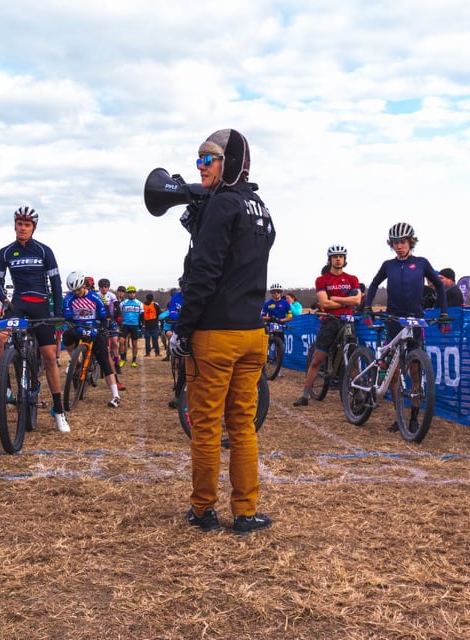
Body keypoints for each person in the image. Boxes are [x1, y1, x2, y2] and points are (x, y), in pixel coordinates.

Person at [171, 128, 275, 536]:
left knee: (207, 425)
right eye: (198, 159)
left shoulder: (222, 206)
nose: (199, 167)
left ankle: (203, 509)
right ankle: (246, 513)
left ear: (228, 163)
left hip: (215, 334)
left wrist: (184, 327)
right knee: (243, 426)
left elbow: (204, 273)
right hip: (252, 332)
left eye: (207, 159)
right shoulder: (261, 207)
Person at [362, 222, 449, 431]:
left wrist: (444, 312)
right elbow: (373, 284)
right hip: (393, 319)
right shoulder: (388, 265)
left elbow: (439, 285)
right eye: (395, 243)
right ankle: (398, 414)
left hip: (415, 319)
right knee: (393, 370)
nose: (399, 246)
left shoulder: (421, 263)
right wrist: (367, 306)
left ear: (411, 242)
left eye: (403, 242)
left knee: (416, 369)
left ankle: (414, 418)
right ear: (391, 245)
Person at [0, 206, 71, 433]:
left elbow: (56, 283)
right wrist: (6, 301)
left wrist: (58, 315)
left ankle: (59, 411)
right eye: (20, 224)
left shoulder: (44, 251)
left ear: (33, 227)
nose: (23, 228)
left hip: (41, 306)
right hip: (17, 305)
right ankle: (6, 388)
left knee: (48, 356)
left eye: (27, 225)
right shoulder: (5, 252)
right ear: (15, 225)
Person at [293, 245, 360, 406]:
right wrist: (344, 301)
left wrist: (335, 299)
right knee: (318, 359)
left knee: (352, 360)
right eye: (335, 256)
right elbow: (323, 302)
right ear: (329, 259)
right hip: (330, 321)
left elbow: (357, 300)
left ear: (344, 259)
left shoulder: (352, 279)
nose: (338, 259)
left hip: (348, 321)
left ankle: (358, 395)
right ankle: (305, 395)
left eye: (341, 256)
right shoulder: (322, 280)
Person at [62, 271, 123, 408]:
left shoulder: (96, 298)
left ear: (84, 285)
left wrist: (101, 328)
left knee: (105, 361)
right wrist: (75, 327)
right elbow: (68, 318)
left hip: (95, 330)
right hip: (78, 328)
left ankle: (115, 395)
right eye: (73, 290)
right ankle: (74, 361)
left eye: (78, 289)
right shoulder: (68, 298)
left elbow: (104, 318)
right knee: (66, 336)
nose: (76, 292)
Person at [119, 286, 143, 367]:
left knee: (134, 344)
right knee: (121, 341)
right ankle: (122, 359)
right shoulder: (123, 303)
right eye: (130, 293)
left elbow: (142, 315)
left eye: (133, 292)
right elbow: (120, 313)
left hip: (135, 325)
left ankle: (134, 361)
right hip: (125, 325)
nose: (132, 294)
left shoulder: (139, 303)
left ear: (135, 293)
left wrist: (141, 325)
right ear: (127, 293)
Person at [142, 293, 162, 357]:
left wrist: (142, 323)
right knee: (155, 340)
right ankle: (157, 353)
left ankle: (148, 353)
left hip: (146, 325)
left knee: (147, 340)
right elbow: (160, 314)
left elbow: (141, 315)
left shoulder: (143, 305)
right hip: (154, 325)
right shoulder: (155, 305)